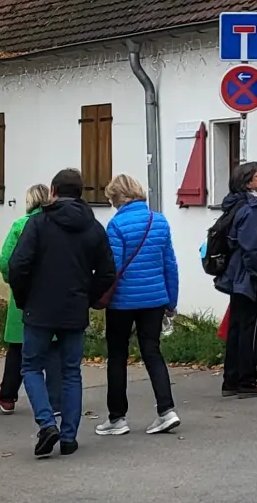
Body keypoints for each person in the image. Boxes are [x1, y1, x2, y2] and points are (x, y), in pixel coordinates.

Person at [7, 168, 116, 457]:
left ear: (53, 191)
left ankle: (46, 423)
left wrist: (24, 298)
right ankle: (69, 436)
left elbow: (18, 265)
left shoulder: (39, 224)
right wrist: (88, 298)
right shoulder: (93, 227)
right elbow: (107, 272)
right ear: (81, 193)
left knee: (31, 366)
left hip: (39, 308)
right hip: (74, 308)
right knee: (71, 372)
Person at [96, 175, 181, 437]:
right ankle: (167, 411)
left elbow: (114, 267)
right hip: (155, 299)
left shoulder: (116, 225)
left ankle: (117, 418)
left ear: (117, 198)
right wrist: (171, 301)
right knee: (152, 352)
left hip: (123, 302)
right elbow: (170, 264)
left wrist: (97, 294)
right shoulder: (160, 221)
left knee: (118, 356)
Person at [0, 184, 62, 416]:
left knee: (18, 348)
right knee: (52, 347)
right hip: (53, 293)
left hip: (24, 295)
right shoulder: (57, 225)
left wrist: (13, 281)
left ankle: (8, 396)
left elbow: (5, 261)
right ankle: (56, 401)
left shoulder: (20, 226)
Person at [216, 162, 257, 398]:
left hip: (237, 275)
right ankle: (247, 379)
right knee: (251, 328)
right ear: (247, 183)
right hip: (250, 276)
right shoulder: (253, 209)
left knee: (237, 327)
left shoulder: (236, 204)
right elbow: (250, 246)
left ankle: (231, 379)